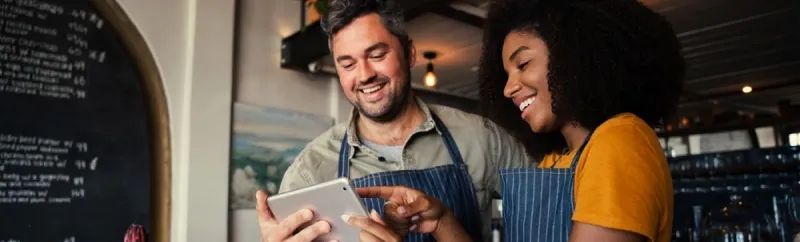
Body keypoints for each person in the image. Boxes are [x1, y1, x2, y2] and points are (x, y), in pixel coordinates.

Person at [359, 0, 686, 241]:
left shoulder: (619, 140)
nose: (508, 87)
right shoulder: (556, 161)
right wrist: (442, 220)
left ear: (576, 54)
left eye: (523, 64)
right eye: (505, 73)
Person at [254, 0, 532, 241]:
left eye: (377, 55)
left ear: (409, 53)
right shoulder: (310, 170)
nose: (364, 75)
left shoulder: (484, 139)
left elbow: (543, 224)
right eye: (348, 64)